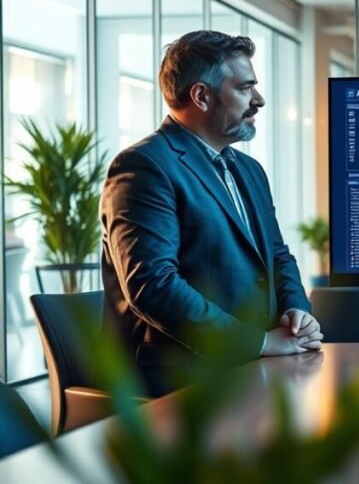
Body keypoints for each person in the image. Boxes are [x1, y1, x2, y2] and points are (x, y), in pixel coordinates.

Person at [101, 30, 322, 397]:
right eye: (244, 88)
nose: (259, 100)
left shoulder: (248, 170)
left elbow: (278, 256)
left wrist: (298, 313)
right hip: (181, 382)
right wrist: (256, 342)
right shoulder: (144, 166)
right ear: (201, 96)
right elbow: (152, 285)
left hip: (255, 369)